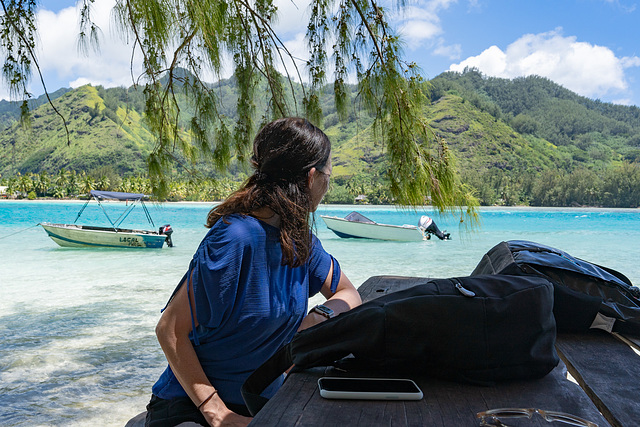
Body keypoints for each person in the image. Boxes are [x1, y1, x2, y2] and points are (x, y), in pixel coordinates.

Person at [145, 117, 362, 427]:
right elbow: (169, 330)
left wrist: (317, 317)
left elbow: (349, 294)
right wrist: (219, 414)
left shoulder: (300, 242)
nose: (328, 184)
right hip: (190, 409)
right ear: (312, 177)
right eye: (329, 174)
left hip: (259, 403)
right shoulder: (235, 239)